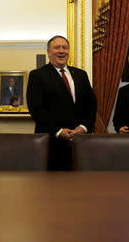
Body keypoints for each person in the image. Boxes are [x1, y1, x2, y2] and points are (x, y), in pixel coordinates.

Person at [26, 35, 97, 170]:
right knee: (52, 188)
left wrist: (83, 128)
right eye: (56, 47)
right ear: (48, 52)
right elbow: (36, 109)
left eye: (65, 47)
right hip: (51, 143)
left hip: (80, 142)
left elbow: (91, 105)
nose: (61, 50)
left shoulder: (81, 75)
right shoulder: (37, 75)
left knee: (80, 186)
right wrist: (58, 131)